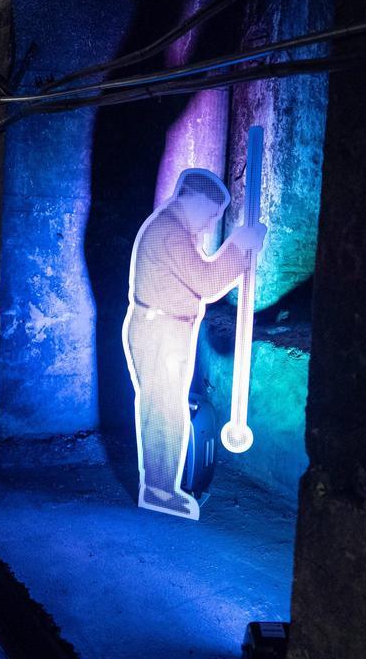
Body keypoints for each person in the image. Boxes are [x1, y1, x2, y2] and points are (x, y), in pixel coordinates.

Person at [121, 168, 265, 520]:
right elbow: (207, 281)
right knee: (163, 411)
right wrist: (239, 246)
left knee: (168, 408)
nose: (210, 223)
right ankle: (158, 491)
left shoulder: (176, 230)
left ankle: (161, 488)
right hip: (160, 330)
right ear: (194, 201)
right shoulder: (170, 232)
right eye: (211, 215)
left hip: (166, 329)